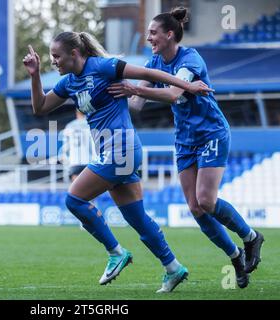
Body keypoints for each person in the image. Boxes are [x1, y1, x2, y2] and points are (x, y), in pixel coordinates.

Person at [23, 31, 213, 293]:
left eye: (56, 56)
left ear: (75, 54)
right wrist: (34, 76)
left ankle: (116, 252)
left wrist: (186, 86)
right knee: (137, 219)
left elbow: (148, 75)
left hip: (120, 148)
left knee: (74, 199)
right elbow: (40, 107)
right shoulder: (69, 82)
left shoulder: (103, 66)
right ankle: (173, 268)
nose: (53, 61)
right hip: (113, 152)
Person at [107, 7, 264, 289]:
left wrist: (135, 89)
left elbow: (173, 93)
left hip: (211, 132)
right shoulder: (154, 60)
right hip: (184, 139)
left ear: (169, 34)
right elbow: (136, 106)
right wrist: (108, 92)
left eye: (153, 33)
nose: (149, 37)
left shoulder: (190, 59)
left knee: (205, 200)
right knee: (195, 208)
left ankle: (251, 237)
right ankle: (236, 255)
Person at [60, 109, 96, 182]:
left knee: (76, 188)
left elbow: (65, 147)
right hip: (90, 160)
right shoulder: (92, 124)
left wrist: (66, 160)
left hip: (75, 160)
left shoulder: (70, 126)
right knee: (89, 187)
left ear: (77, 113)